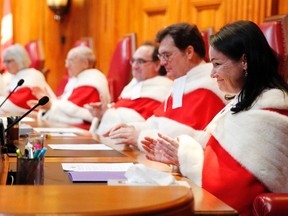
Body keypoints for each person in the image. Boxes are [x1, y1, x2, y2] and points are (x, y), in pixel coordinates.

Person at [142, 20, 288, 215]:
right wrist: (179, 156)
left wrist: (185, 155)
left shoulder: (269, 110)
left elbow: (232, 190)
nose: (212, 74)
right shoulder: (244, 101)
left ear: (244, 61)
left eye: (217, 64)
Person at [104, 23, 226, 151]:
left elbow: (189, 144)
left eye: (167, 55)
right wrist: (133, 128)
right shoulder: (182, 82)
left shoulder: (209, 86)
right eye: (161, 56)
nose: (162, 62)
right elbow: (159, 121)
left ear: (189, 52)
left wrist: (140, 137)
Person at [87, 41, 173, 134]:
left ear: (157, 65)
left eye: (140, 61)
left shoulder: (162, 91)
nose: (134, 66)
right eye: (133, 61)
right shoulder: (131, 87)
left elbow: (142, 126)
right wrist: (102, 111)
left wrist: (106, 113)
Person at [31, 46, 110, 130]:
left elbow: (75, 115)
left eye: (71, 61)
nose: (66, 65)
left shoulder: (91, 81)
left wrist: (50, 106)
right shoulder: (77, 79)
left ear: (85, 63)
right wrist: (48, 105)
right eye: (67, 61)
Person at [0, 44, 55, 116]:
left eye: (8, 61)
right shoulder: (14, 76)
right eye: (4, 62)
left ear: (19, 59)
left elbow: (21, 102)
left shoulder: (33, 75)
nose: (5, 65)